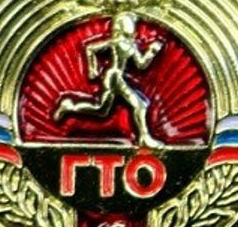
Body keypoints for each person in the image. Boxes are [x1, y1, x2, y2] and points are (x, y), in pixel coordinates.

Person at [55, 12, 165, 147]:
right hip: (115, 77)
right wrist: (92, 69)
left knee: (101, 110)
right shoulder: (116, 42)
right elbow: (90, 48)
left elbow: (141, 65)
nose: (134, 28)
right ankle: (144, 138)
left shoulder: (130, 45)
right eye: (131, 23)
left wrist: (152, 52)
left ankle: (69, 106)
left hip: (116, 77)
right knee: (140, 105)